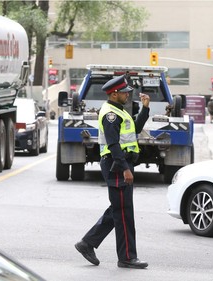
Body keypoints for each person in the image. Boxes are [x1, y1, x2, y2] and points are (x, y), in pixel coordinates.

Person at [75, 75, 149, 269]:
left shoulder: (119, 111)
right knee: (124, 213)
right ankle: (126, 257)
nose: (127, 94)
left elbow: (135, 129)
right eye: (125, 92)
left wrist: (145, 109)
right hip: (117, 165)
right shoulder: (111, 114)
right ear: (114, 93)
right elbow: (113, 144)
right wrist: (125, 168)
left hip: (120, 163)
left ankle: (87, 243)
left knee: (119, 209)